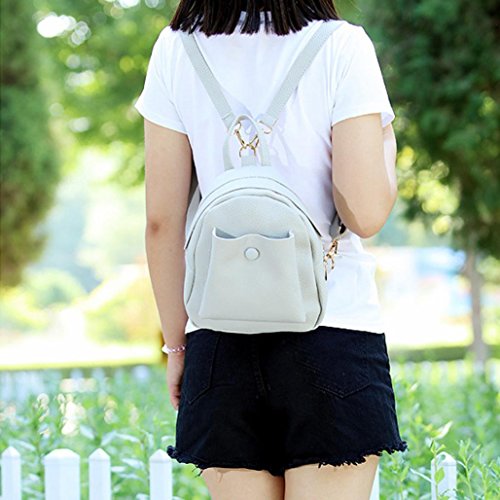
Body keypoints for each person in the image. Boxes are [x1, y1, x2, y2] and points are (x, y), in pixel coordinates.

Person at [134, 1, 408, 498]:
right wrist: (386, 143)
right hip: (332, 328)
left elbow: (161, 224)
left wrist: (177, 347)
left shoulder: (176, 49)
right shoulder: (342, 47)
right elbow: (365, 213)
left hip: (219, 337)